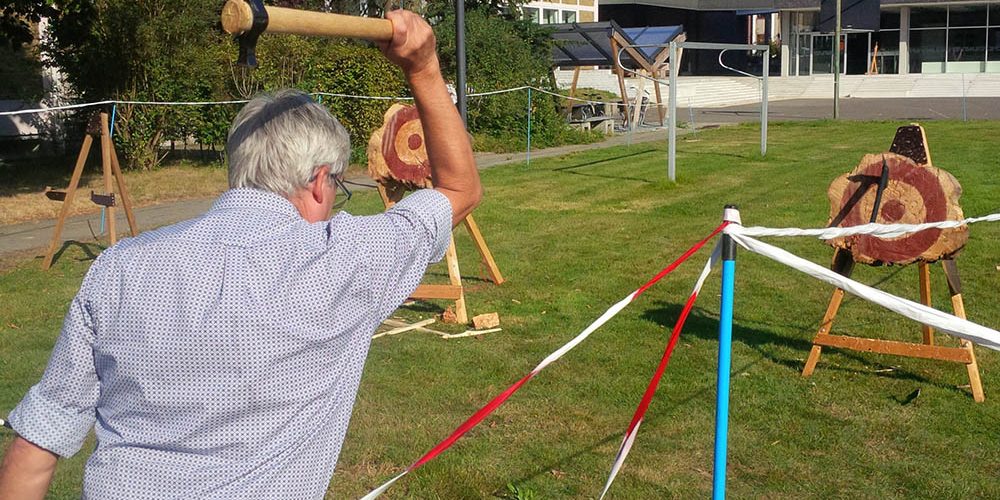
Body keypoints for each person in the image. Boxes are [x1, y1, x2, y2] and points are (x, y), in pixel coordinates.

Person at [0, 9, 480, 499]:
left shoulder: (119, 268)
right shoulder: (345, 261)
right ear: (320, 181)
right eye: (336, 186)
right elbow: (460, 188)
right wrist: (423, 67)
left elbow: (40, 440)